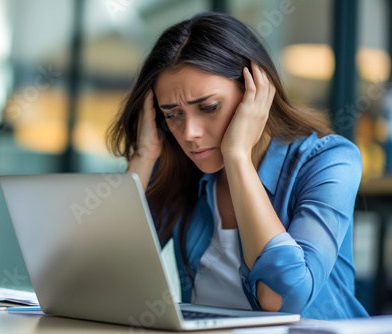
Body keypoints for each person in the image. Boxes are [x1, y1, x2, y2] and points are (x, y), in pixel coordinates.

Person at [106, 12, 369, 320]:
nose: (190, 133)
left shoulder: (330, 160)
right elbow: (107, 278)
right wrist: (144, 155)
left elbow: (283, 299)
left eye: (208, 107)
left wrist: (237, 157)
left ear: (254, 93)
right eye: (172, 113)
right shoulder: (184, 169)